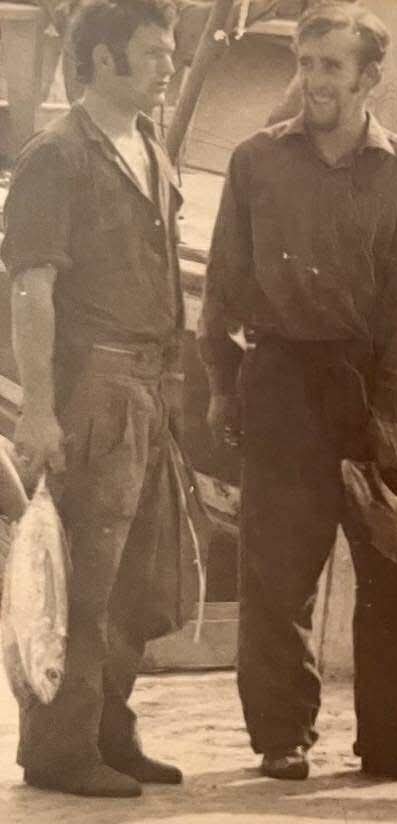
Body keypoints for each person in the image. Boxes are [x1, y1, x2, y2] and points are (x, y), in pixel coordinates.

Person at [199, 2, 397, 784]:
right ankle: (282, 736)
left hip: (373, 382)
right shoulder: (254, 161)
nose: (314, 81)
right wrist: (222, 383)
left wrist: (387, 409)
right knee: (276, 572)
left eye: (331, 66)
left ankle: (393, 740)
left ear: (371, 77)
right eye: (305, 64)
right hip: (280, 380)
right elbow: (223, 286)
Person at [0, 0, 187, 798]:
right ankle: (58, 749)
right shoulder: (57, 156)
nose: (167, 65)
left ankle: (111, 732)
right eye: (150, 53)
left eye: (169, 51)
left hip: (151, 384)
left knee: (137, 579)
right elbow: (31, 291)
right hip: (95, 390)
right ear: (102, 62)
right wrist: (39, 412)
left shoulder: (149, 145)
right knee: (78, 580)